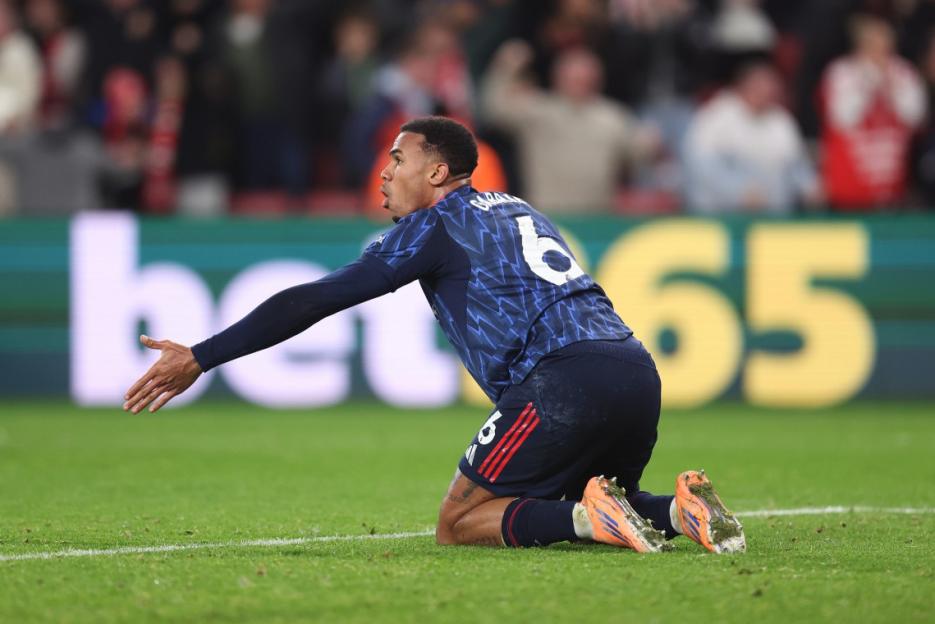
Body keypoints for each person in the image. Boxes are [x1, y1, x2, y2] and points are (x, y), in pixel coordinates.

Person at [121, 116, 745, 554]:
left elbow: (314, 299)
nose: (385, 172)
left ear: (439, 171)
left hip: (560, 382)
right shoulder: (519, 208)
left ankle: (590, 519)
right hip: (635, 370)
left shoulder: (434, 226)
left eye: (398, 159)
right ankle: (680, 510)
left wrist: (203, 355)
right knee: (590, 501)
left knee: (461, 522)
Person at [683, 61, 821, 214]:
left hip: (773, 215)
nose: (768, 92)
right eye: (761, 86)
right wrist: (738, 191)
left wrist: (810, 186)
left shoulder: (780, 120)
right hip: (721, 216)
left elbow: (796, 165)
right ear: (746, 86)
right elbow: (702, 168)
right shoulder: (716, 116)